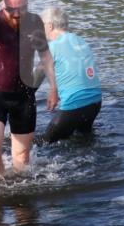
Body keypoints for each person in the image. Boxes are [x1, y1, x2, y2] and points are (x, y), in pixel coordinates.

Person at [0, 0, 58, 178]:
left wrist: (54, 88)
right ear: (3, 4)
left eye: (22, 8)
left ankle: (21, 202)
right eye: (12, 9)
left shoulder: (34, 21)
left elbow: (45, 56)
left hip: (24, 96)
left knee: (22, 159)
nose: (17, 14)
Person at [41, 7, 102, 143]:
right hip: (96, 102)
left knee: (44, 143)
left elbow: (35, 80)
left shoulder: (51, 47)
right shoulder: (81, 41)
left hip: (75, 104)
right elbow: (76, 71)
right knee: (84, 140)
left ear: (49, 26)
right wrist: (55, 90)